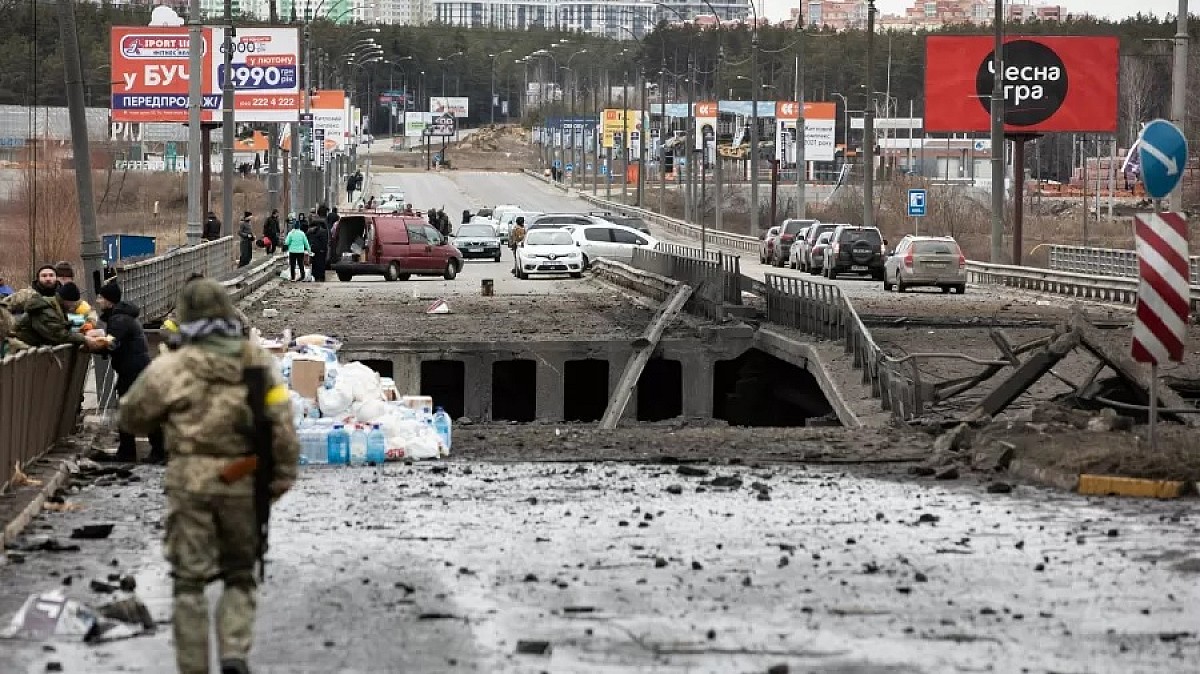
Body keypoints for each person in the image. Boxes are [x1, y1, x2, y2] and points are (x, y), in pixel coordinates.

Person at [118, 278, 299, 674]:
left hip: (190, 482)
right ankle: (234, 652)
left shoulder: (171, 365)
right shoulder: (257, 363)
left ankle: (194, 667)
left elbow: (130, 417)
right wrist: (281, 477)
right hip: (244, 479)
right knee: (240, 575)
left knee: (189, 582)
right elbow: (281, 423)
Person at [95, 282, 164, 464]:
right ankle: (149, 449)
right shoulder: (122, 317)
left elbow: (111, 343)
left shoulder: (118, 320)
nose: (97, 300)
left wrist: (90, 344)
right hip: (136, 369)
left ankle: (136, 451)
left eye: (101, 297)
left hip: (133, 371)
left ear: (109, 301)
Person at [13, 282, 107, 349]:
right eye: (73, 303)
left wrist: (85, 330)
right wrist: (84, 338)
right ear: (66, 301)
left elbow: (63, 327)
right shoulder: (46, 311)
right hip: (17, 348)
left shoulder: (58, 308)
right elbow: (58, 335)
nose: (74, 307)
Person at [306, 218, 329, 283]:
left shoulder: (312, 232)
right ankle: (319, 277)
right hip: (317, 250)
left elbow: (324, 242)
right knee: (318, 264)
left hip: (317, 250)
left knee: (317, 264)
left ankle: (318, 276)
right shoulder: (322, 231)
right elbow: (324, 241)